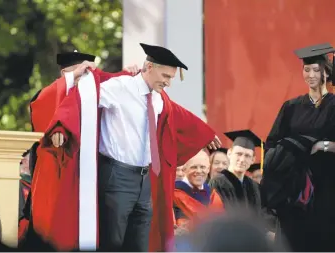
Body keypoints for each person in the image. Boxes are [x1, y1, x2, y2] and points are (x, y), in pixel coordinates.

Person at [31, 43, 222, 252]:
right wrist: (62, 127)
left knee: (139, 243)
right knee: (112, 242)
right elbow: (80, 100)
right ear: (149, 67)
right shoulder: (119, 87)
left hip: (145, 179)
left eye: (171, 78)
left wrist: (204, 132)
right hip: (116, 176)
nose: (168, 83)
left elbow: (179, 116)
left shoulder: (158, 99)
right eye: (165, 76)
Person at [263, 43, 335, 251]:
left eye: (316, 69)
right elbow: (272, 143)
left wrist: (325, 146)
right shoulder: (291, 107)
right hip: (294, 191)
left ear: (326, 71)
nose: (310, 74)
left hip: (326, 189)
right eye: (306, 69)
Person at [208, 130, 262, 214]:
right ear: (229, 153)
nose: (242, 160)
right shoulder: (218, 182)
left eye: (247, 156)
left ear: (253, 160)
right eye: (239, 154)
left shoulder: (254, 186)